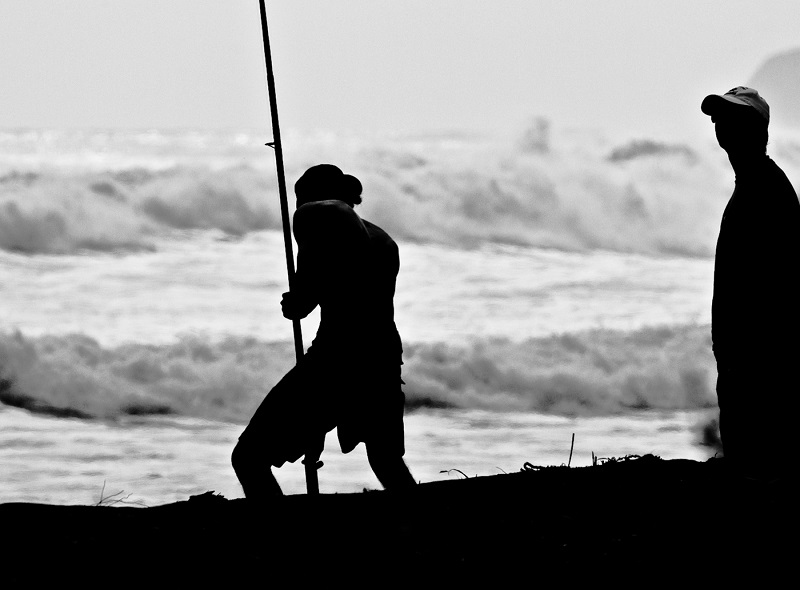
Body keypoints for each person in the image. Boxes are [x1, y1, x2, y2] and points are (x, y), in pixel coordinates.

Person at [232, 164, 415, 498]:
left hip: (335, 360)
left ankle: (281, 541)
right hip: (383, 358)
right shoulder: (382, 240)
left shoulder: (316, 216)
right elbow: (338, 283)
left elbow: (304, 303)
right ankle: (425, 531)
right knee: (387, 461)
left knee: (248, 457)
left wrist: (295, 301)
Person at [701, 86, 800, 477]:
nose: (720, 126)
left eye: (731, 118)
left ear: (757, 130)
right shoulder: (755, 184)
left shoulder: (766, 189)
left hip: (760, 362)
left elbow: (781, 285)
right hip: (746, 359)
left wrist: (753, 355)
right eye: (717, 119)